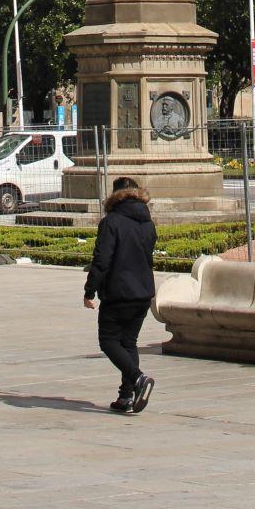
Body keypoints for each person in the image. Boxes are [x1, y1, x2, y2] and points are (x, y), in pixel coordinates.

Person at [83, 177, 157, 415]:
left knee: (108, 341)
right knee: (128, 343)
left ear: (114, 196)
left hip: (118, 292)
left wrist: (89, 289)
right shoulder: (148, 222)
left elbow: (102, 260)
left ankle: (137, 378)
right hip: (143, 292)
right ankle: (125, 396)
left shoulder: (111, 222)